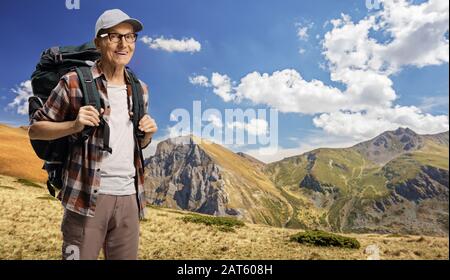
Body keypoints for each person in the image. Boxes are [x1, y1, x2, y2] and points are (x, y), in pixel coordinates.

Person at [28, 9, 158, 260]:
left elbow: (137, 144)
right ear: (98, 42)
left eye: (130, 37)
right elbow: (36, 130)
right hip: (84, 198)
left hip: (130, 198)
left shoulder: (140, 89)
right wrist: (74, 126)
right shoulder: (73, 82)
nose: (123, 44)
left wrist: (147, 135)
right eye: (114, 37)